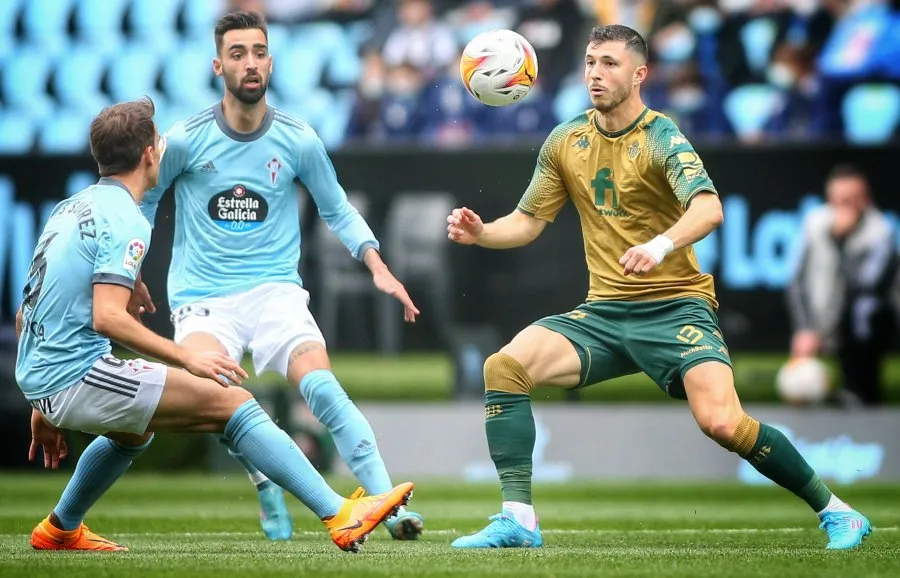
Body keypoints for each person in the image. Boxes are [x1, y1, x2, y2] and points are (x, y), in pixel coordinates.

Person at [446, 25, 871, 551]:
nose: (595, 74)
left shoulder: (662, 137)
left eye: (609, 64)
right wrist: (482, 232)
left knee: (721, 422)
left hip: (676, 309)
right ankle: (518, 519)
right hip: (604, 314)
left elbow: (709, 208)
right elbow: (528, 222)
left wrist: (660, 246)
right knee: (503, 367)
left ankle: (838, 512)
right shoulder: (566, 140)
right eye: (589, 62)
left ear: (639, 74)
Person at [17, 98, 413, 554]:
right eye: (158, 140)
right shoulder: (127, 218)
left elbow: (29, 307)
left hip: (43, 372)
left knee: (134, 431)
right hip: (73, 377)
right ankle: (339, 514)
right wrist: (187, 357)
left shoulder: (72, 206)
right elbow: (108, 316)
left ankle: (61, 527)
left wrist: (40, 402)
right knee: (234, 403)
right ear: (150, 154)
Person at [137, 11, 424, 541]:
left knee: (322, 386)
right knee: (216, 398)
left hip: (275, 291)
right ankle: (265, 485)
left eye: (259, 52)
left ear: (271, 61)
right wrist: (129, 270)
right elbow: (146, 201)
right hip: (204, 298)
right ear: (217, 64)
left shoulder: (298, 139)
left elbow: (336, 208)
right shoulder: (184, 139)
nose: (251, 63)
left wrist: (378, 265)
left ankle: (391, 506)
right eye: (239, 53)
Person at [787, 164, 899, 406]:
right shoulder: (814, 223)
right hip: (819, 320)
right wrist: (804, 328)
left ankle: (861, 396)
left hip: (860, 333)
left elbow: (865, 286)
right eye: (838, 201)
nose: (843, 208)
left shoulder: (881, 232)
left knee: (866, 310)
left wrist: (840, 241)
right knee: (799, 383)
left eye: (851, 200)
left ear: (865, 200)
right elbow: (797, 281)